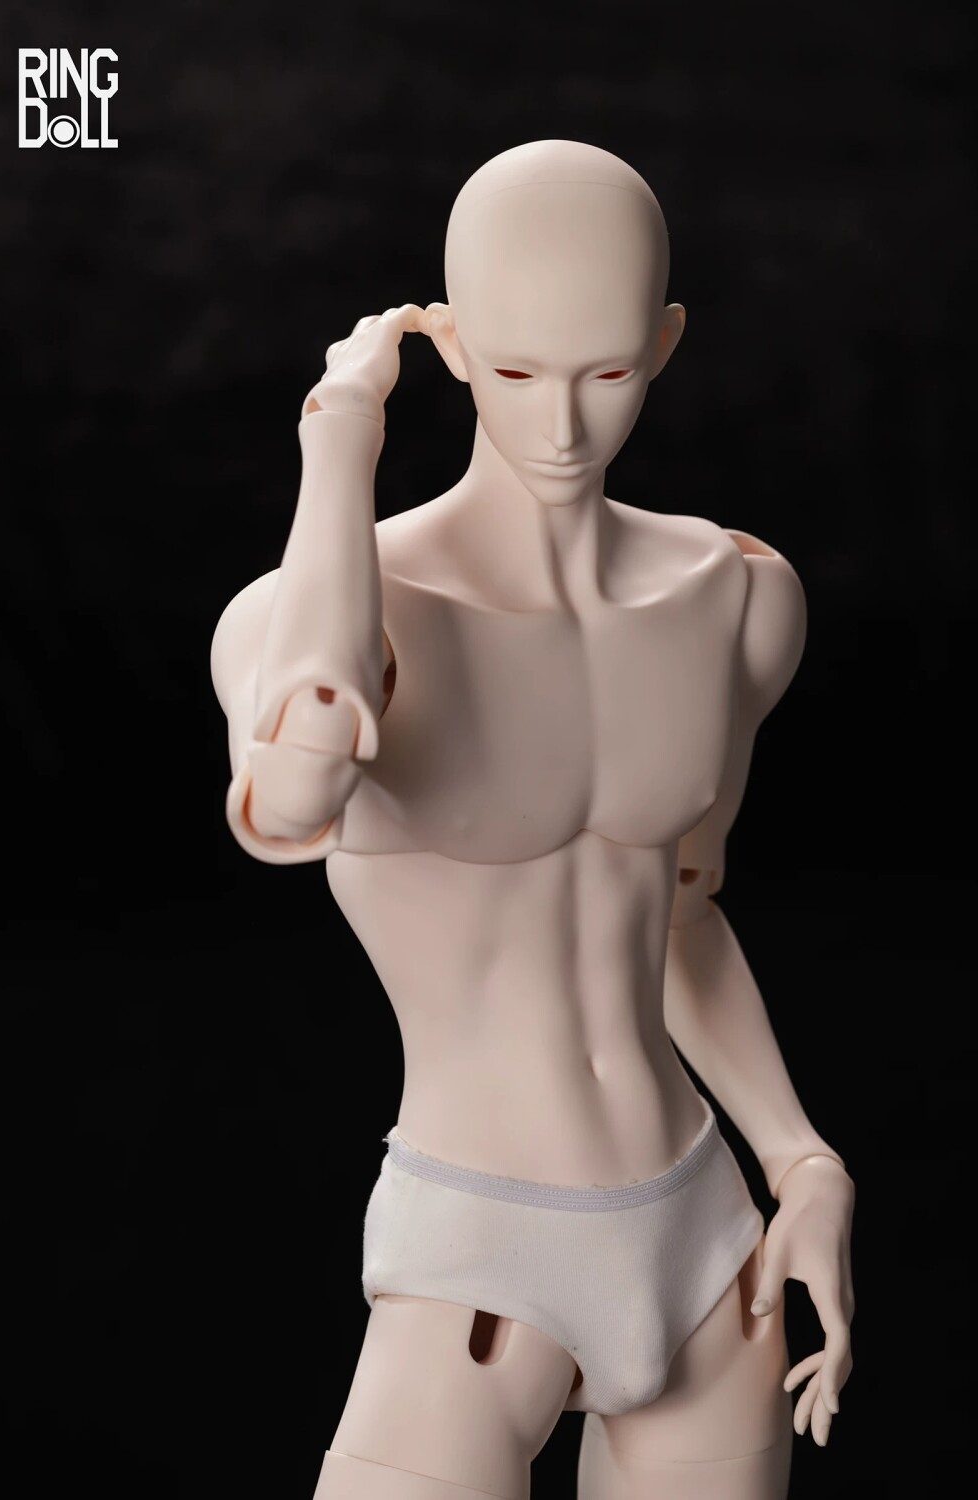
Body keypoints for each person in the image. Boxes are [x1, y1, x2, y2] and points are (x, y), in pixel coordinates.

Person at [211, 140, 854, 1500]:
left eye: (606, 374)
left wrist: (800, 1154)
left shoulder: (734, 599)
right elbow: (293, 796)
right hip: (478, 1249)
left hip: (704, 1234)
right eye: (513, 372)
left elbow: (679, 909)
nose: (562, 427)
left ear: (663, 344)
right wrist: (340, 448)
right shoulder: (319, 617)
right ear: (450, 347)